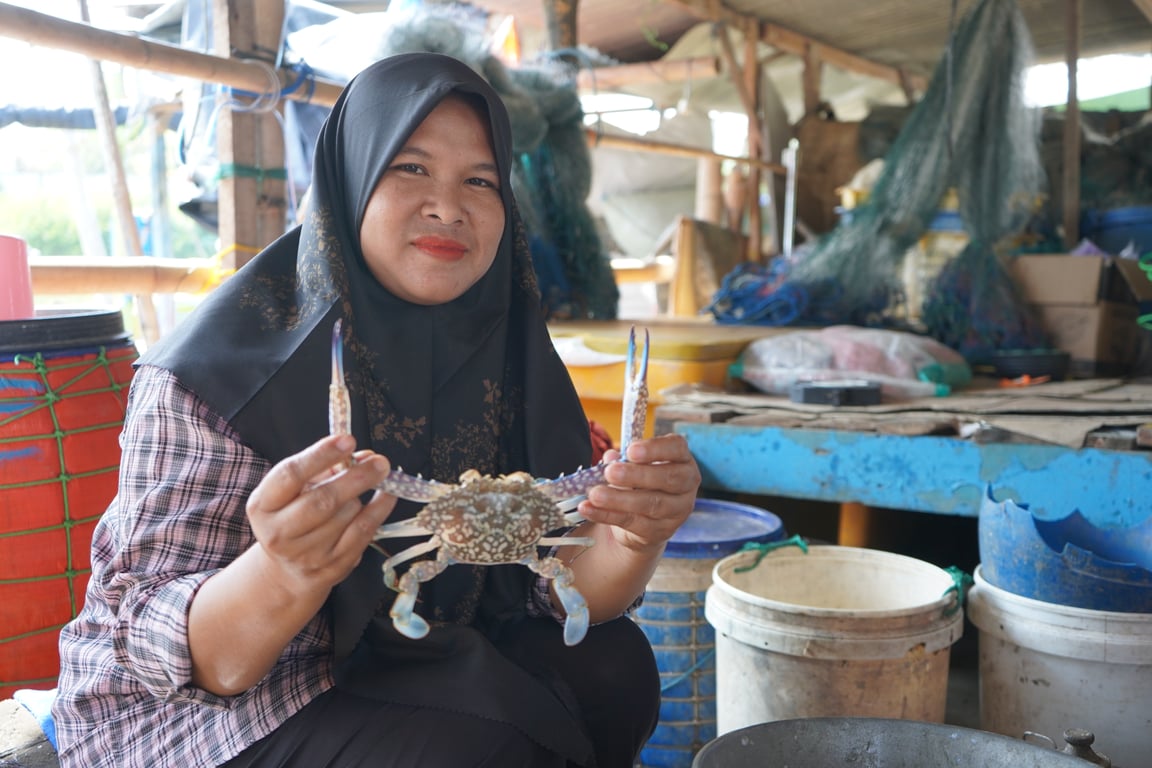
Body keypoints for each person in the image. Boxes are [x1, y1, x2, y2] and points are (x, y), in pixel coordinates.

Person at [53, 52, 701, 768]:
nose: (448, 207)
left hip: (415, 647)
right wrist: (283, 571)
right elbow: (192, 663)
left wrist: (636, 538)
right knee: (479, 749)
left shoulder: (511, 350)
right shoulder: (213, 376)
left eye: (480, 181)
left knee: (615, 670)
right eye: (410, 168)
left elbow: (560, 593)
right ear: (352, 175)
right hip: (202, 709)